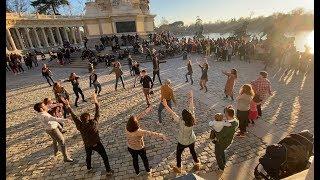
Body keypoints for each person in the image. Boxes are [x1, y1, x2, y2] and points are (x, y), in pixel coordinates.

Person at [64, 94, 114, 175]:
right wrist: (96, 101)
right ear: (89, 118)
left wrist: (69, 106)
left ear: (81, 120)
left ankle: (89, 168)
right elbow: (97, 112)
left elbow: (74, 117)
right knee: (104, 157)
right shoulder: (94, 123)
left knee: (88, 156)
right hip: (97, 143)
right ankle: (108, 170)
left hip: (87, 144)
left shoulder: (80, 125)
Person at [162, 90, 201, 173]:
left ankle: (179, 167)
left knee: (178, 154)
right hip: (191, 139)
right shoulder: (192, 118)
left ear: (183, 117)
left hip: (182, 141)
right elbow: (191, 106)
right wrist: (191, 96)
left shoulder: (181, 122)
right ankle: (197, 163)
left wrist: (165, 105)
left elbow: (172, 113)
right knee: (193, 151)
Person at [126, 106, 167, 176]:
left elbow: (137, 118)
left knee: (135, 160)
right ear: (136, 124)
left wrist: (146, 111)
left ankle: (137, 172)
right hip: (139, 148)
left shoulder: (127, 127)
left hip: (130, 147)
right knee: (144, 159)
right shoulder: (139, 131)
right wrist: (161, 135)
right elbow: (150, 133)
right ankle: (148, 170)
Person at [214, 106, 239, 170]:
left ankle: (221, 167)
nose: (224, 114)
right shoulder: (236, 121)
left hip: (222, 142)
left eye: (225, 113)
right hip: (228, 140)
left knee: (217, 154)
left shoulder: (228, 126)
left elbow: (220, 134)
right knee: (221, 151)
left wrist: (215, 130)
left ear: (227, 114)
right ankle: (224, 162)